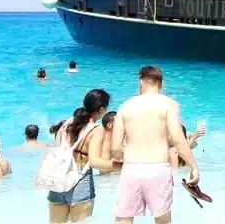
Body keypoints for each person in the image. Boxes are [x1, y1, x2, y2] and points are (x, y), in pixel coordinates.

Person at [112, 66, 202, 223]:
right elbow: (177, 138)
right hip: (158, 169)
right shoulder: (169, 105)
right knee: (162, 220)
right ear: (161, 83)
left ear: (141, 81)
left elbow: (115, 149)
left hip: (131, 169)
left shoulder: (124, 107)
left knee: (123, 220)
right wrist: (193, 166)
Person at [47, 89, 116, 224]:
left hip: (57, 182)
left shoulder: (66, 124)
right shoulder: (96, 129)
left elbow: (56, 151)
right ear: (101, 109)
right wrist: (121, 165)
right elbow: (95, 162)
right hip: (80, 184)